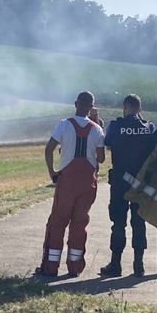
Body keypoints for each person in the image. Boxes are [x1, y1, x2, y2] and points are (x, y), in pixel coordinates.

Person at [35, 91, 107, 278]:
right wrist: (99, 126)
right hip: (88, 183)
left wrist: (52, 172)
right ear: (91, 108)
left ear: (76, 104)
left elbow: (49, 149)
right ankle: (74, 267)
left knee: (58, 221)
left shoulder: (64, 125)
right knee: (79, 223)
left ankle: (50, 267)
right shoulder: (97, 129)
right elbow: (101, 158)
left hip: (67, 181)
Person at [99, 94, 157, 277]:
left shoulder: (116, 126)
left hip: (120, 184)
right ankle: (138, 265)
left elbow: (107, 145)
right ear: (140, 109)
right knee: (138, 222)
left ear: (124, 107)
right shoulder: (149, 128)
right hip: (141, 185)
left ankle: (116, 264)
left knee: (118, 223)